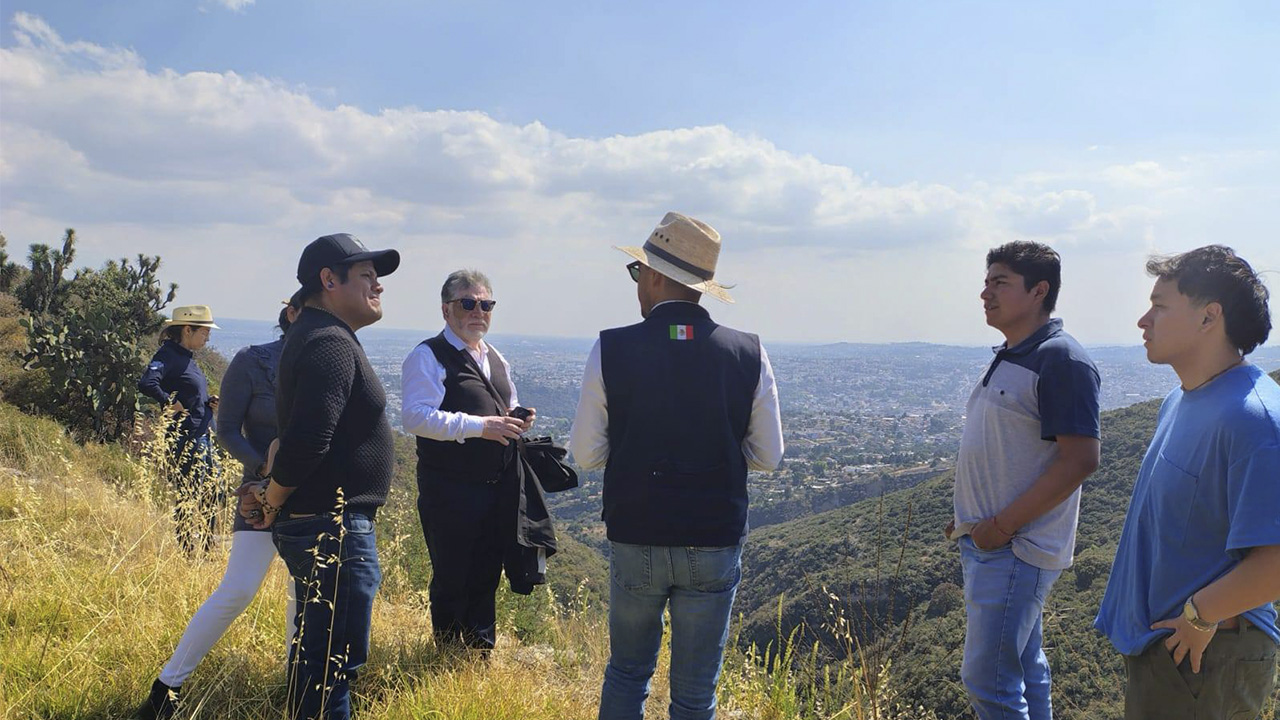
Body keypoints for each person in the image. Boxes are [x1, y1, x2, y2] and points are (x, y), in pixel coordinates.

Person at [569, 212, 784, 720]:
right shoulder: (747, 352)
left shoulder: (612, 347)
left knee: (627, 673)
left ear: (657, 276)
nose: (636, 284)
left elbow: (586, 454)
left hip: (637, 528)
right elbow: (768, 456)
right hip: (713, 534)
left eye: (637, 272)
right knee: (694, 693)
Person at [1095, 245, 1280, 719]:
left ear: (1208, 317)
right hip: (1172, 648)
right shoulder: (1181, 400)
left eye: (1159, 305)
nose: (1143, 319)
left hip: (1207, 654)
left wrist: (1200, 615)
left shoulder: (1255, 419)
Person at [239, 233, 399, 720]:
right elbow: (308, 440)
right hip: (333, 527)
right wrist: (271, 496)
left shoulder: (312, 335)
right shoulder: (329, 341)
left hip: (323, 523)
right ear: (329, 280)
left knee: (317, 657)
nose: (379, 287)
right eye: (368, 276)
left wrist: (272, 488)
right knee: (332, 665)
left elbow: (288, 437)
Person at [945, 241, 1101, 720]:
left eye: (1000, 282)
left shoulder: (1061, 360)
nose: (985, 293)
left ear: (1038, 291)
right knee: (1026, 670)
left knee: (988, 683)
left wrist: (1002, 527)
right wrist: (972, 523)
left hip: (1015, 548)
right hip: (995, 542)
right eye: (987, 281)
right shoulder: (1019, 352)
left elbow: (1080, 460)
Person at [134, 299, 302, 720]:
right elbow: (228, 428)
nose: (207, 335)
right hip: (257, 493)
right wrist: (264, 466)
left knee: (301, 596)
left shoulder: (331, 363)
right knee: (238, 589)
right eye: (203, 329)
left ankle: (298, 690)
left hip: (313, 499)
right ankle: (166, 688)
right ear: (294, 317)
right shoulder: (253, 359)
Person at [401, 269, 538, 651]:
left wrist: (517, 417)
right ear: (446, 310)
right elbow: (414, 416)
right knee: (452, 576)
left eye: (486, 304)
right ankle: (446, 654)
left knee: (486, 574)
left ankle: (479, 656)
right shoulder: (428, 356)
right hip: (449, 490)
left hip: (495, 488)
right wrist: (480, 426)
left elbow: (504, 406)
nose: (479, 311)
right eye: (468, 303)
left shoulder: (495, 357)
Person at [138, 304, 223, 555]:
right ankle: (188, 551)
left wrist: (207, 403)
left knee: (212, 492)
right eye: (205, 331)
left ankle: (206, 547)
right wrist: (168, 402)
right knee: (190, 493)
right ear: (188, 329)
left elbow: (189, 393)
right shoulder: (168, 355)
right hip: (187, 438)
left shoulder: (185, 357)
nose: (208, 337)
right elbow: (147, 382)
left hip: (201, 435)